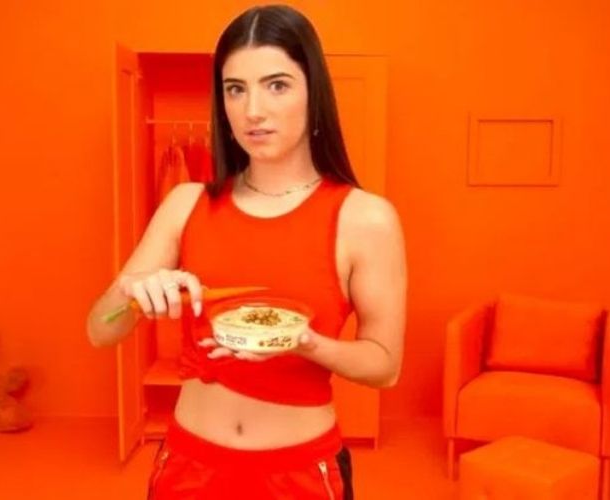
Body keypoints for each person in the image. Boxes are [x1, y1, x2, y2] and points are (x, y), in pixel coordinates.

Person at [86, 4, 407, 499]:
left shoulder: (365, 218)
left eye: (276, 84)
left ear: (312, 94)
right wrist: (134, 293)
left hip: (299, 474)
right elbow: (98, 330)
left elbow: (384, 365)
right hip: (188, 469)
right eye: (235, 89)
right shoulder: (186, 203)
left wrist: (307, 343)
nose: (252, 110)